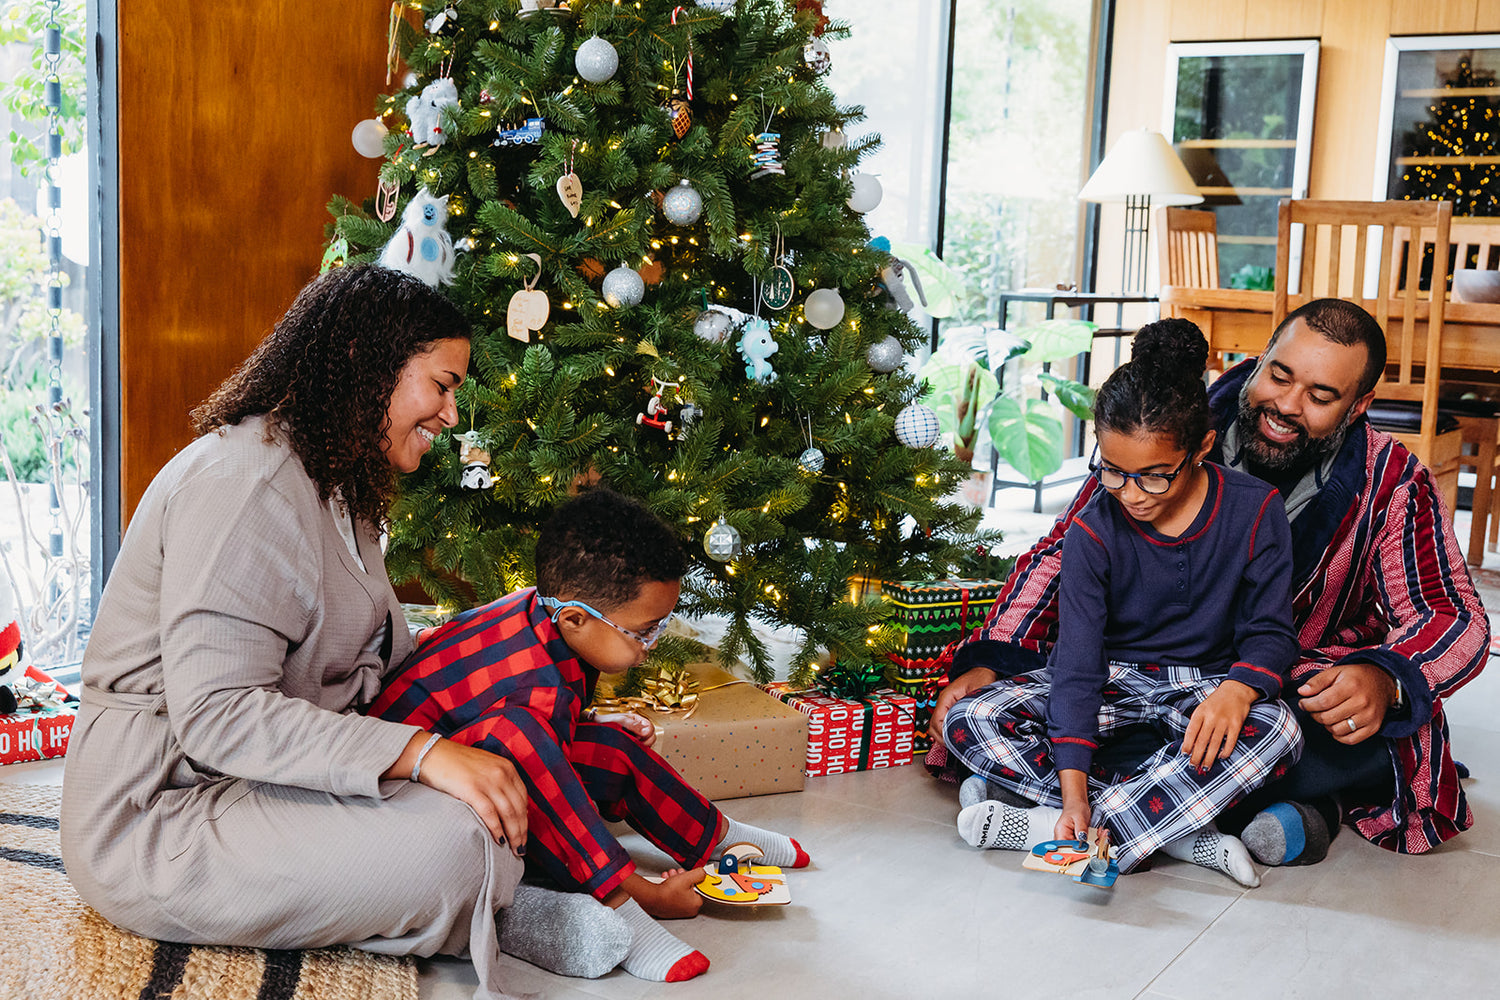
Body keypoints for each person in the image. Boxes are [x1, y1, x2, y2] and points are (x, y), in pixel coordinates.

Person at [60, 265, 638, 1000]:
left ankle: (474, 895)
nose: (451, 414)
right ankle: (498, 907)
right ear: (369, 366)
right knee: (456, 842)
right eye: (442, 384)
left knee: (505, 773)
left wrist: (531, 687)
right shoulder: (245, 487)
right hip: (162, 814)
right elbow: (216, 717)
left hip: (261, 781)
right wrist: (423, 753)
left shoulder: (339, 481)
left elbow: (391, 660)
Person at [933, 298, 1490, 868]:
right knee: (1007, 708)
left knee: (1319, 734)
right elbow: (1063, 556)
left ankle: (1066, 807)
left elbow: (1456, 615)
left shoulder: (1393, 482)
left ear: (1359, 404)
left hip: (1273, 687)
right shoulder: (1159, 427)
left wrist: (1386, 678)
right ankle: (1208, 817)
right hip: (1127, 677)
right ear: (1260, 358)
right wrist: (995, 658)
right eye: (1278, 374)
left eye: (1321, 397)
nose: (1287, 406)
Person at [372, 486, 811, 984]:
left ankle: (718, 837)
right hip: (407, 802)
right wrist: (649, 891)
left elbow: (509, 717)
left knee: (613, 748)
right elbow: (523, 745)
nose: (652, 645)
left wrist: (589, 724)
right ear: (577, 619)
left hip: (469, 762)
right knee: (525, 743)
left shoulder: (541, 616)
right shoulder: (535, 687)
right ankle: (625, 901)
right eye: (644, 631)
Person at [945, 319, 1302, 886]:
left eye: (1155, 477)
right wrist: (1073, 791)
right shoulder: (1092, 529)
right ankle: (1171, 833)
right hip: (1113, 679)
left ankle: (1052, 824)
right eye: (1113, 472)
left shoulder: (1257, 510)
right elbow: (1079, 664)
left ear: (1203, 446)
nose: (1131, 494)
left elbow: (1272, 633)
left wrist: (1238, 689)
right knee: (972, 718)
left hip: (1203, 689)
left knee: (1277, 730)